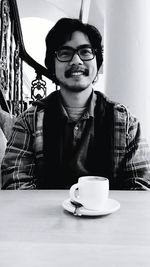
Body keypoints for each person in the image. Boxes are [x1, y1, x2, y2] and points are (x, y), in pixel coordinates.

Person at [1, 18, 150, 190]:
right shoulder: (29, 121)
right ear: (53, 64)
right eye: (65, 53)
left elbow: (142, 187)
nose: (76, 61)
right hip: (47, 216)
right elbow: (15, 184)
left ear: (97, 61)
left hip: (107, 216)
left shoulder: (125, 122)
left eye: (85, 52)